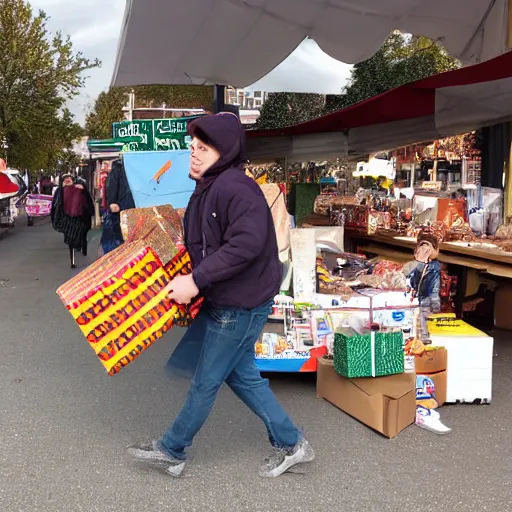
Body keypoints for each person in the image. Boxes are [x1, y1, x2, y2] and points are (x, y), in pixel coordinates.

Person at [128, 113, 314, 478]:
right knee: (241, 376)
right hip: (229, 299)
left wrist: (196, 280)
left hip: (240, 303)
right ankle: (293, 443)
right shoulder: (210, 185)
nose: (193, 154)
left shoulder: (234, 187)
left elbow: (244, 245)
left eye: (203, 148)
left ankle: (173, 449)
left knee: (207, 379)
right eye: (192, 147)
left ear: (224, 151)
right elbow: (210, 239)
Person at [404, 230, 441, 343]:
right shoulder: (434, 267)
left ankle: (417, 340)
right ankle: (422, 340)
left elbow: (406, 276)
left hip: (415, 299)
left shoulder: (413, 265)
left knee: (416, 322)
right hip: (423, 300)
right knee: (422, 322)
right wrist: (436, 305)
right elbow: (434, 289)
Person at [51, 174, 95, 268]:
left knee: (82, 235)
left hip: (80, 217)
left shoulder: (79, 188)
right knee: (70, 239)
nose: (67, 180)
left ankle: (82, 247)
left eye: (69, 178)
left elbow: (87, 200)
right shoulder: (60, 191)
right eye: (65, 179)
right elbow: (56, 204)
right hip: (67, 218)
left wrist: (83, 190)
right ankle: (72, 261)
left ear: (72, 180)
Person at [100, 159, 135, 255]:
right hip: (123, 206)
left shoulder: (119, 167)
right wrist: (112, 201)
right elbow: (113, 185)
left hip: (125, 206)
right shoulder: (119, 167)